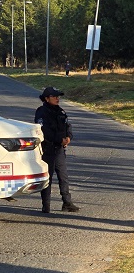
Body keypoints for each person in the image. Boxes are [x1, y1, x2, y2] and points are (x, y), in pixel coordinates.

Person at [35, 86, 80, 214]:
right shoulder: (41, 112)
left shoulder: (61, 112)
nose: (57, 98)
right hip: (48, 150)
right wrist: (58, 140)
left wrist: (68, 138)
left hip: (60, 150)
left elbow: (68, 127)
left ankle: (67, 203)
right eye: (54, 96)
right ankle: (46, 206)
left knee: (63, 177)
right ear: (46, 98)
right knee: (47, 178)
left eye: (58, 96)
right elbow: (44, 131)